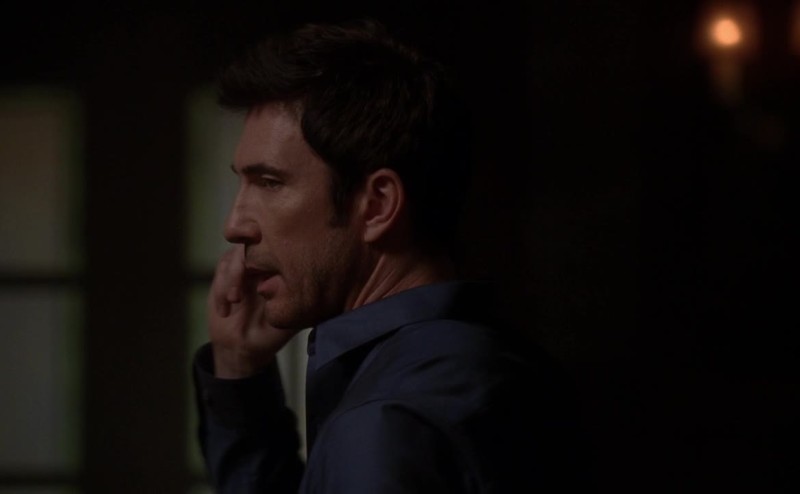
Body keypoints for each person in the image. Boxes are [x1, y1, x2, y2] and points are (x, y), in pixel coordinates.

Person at [192, 18, 590, 493]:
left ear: (378, 205)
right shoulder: (505, 367)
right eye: (243, 182)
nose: (234, 225)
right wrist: (239, 370)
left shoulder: (384, 422)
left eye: (270, 183)